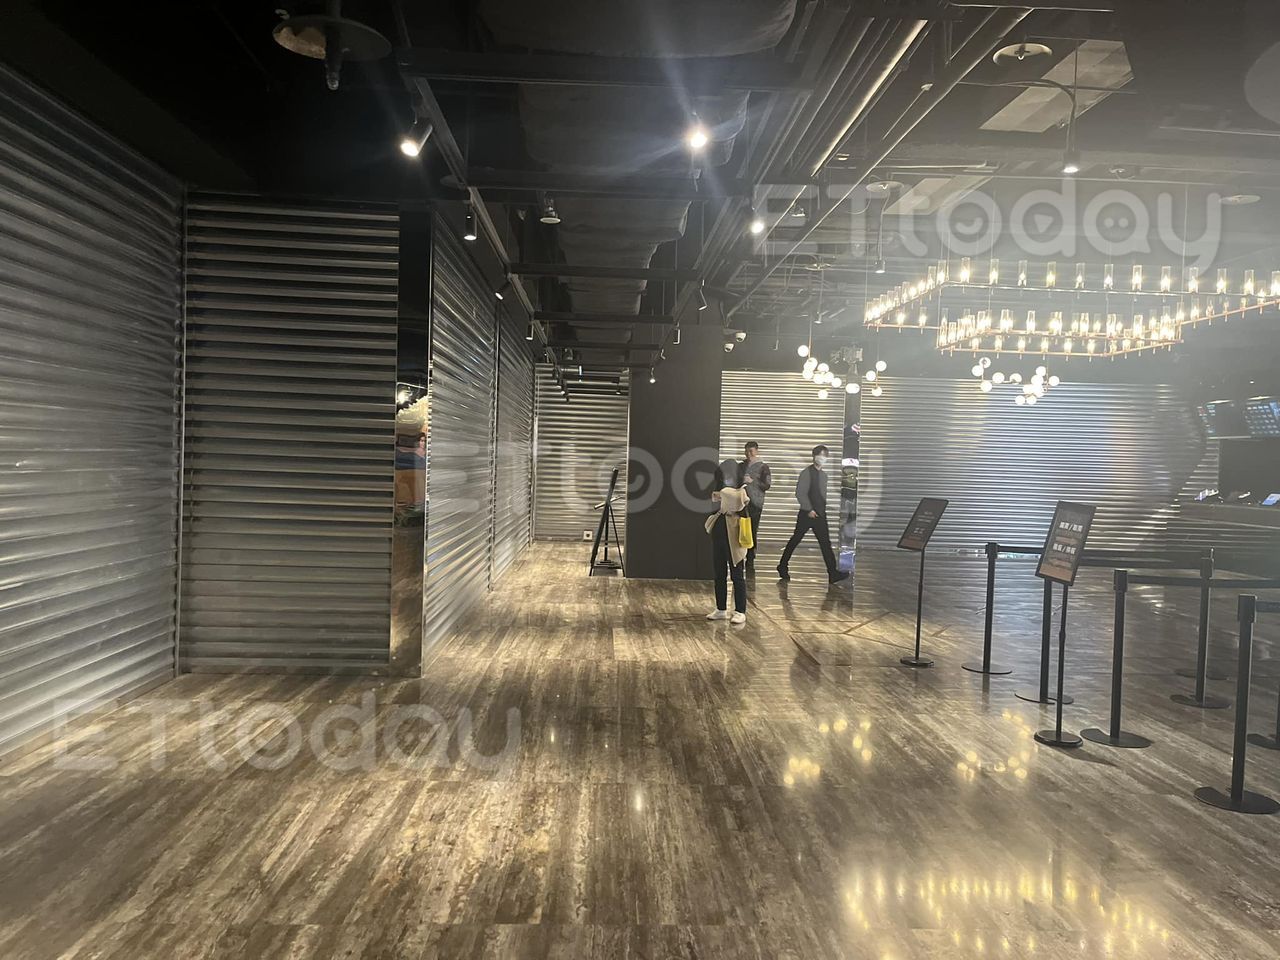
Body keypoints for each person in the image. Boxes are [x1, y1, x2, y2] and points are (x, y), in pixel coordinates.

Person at [777, 444, 849, 585]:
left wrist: (821, 510)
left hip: (820, 515)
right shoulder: (806, 473)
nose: (822, 458)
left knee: (825, 544)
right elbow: (800, 493)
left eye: (825, 456)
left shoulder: (824, 475)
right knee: (795, 540)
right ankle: (782, 565)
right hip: (806, 514)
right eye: (820, 455)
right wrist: (809, 509)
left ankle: (832, 573)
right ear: (814, 456)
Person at [705, 459, 750, 624]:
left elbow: (738, 503)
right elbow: (714, 502)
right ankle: (721, 608)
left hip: (735, 534)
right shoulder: (720, 488)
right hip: (719, 532)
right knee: (719, 573)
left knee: (737, 573)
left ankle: (740, 610)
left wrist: (721, 494)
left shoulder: (742, 490)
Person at [738, 441, 772, 575]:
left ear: (756, 451)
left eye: (751, 451)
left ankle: (750, 558)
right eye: (746, 451)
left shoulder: (764, 467)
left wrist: (753, 482)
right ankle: (739, 555)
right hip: (740, 502)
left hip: (756, 503)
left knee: (752, 530)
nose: (748, 454)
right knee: (739, 529)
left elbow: (767, 485)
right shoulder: (741, 466)